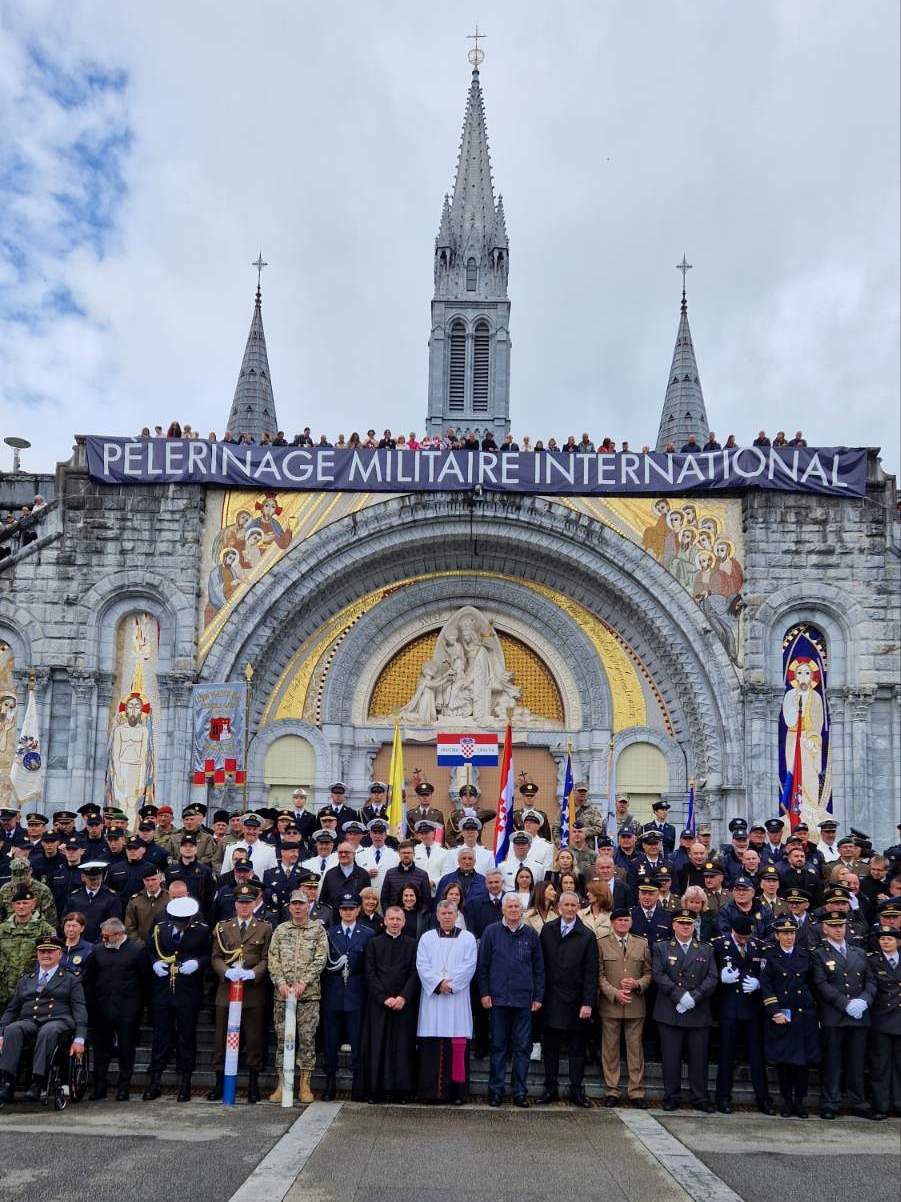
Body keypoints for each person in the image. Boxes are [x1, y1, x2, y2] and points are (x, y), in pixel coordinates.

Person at [0, 934, 88, 1103]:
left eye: (50, 951)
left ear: (60, 954)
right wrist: (1, 1032)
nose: (46, 955)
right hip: (29, 1021)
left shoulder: (71, 978)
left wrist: (79, 1038)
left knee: (48, 1031)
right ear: (37, 954)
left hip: (58, 1021)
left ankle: (37, 1082)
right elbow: (12, 1009)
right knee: (12, 1029)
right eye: (42, 952)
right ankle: (7, 1082)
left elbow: (79, 1009)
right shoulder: (26, 979)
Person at [207, 882, 273, 1104]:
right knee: (221, 1039)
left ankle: (253, 1084)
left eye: (248, 902)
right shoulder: (223, 927)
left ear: (254, 904)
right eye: (241, 902)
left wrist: (253, 973)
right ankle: (219, 1083)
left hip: (253, 991)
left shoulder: (264, 928)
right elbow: (216, 956)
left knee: (253, 1038)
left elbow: (267, 958)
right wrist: (226, 972)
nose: (244, 906)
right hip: (227, 990)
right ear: (235, 904)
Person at [478, 894, 545, 1107]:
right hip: (498, 1000)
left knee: (522, 1048)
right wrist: (484, 993)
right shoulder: (491, 932)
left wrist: (538, 996)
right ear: (503, 910)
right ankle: (496, 1091)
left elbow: (539, 968)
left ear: (522, 910)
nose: (514, 910)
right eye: (510, 906)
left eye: (517, 906)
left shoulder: (531, 934)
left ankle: (519, 1092)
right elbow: (483, 966)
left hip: (523, 1001)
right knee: (498, 1046)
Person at [143, 896, 211, 1103]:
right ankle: (154, 1080)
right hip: (163, 990)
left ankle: (185, 1082)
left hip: (187, 990)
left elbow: (209, 955)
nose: (182, 925)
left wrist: (197, 963)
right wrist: (154, 963)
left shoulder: (201, 931)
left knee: (186, 1036)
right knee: (160, 1036)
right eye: (179, 922)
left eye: (185, 921)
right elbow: (149, 950)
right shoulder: (160, 929)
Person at [652, 908, 718, 1111]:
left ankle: (700, 1097)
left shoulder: (706, 949)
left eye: (689, 923)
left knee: (699, 1059)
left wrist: (694, 997)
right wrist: (680, 996)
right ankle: (672, 1096)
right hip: (670, 1010)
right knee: (671, 1058)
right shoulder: (661, 947)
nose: (685, 927)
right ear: (673, 925)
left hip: (698, 1011)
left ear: (694, 926)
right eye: (681, 923)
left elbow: (712, 977)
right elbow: (658, 974)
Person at [267, 887, 328, 1104]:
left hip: (308, 996)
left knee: (307, 1039)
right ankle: (282, 1084)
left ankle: (304, 1085)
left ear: (308, 906)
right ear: (289, 907)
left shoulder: (317, 930)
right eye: (294, 904)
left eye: (301, 904)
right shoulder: (281, 930)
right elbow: (272, 959)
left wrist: (304, 982)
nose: (298, 908)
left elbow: (320, 959)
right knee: (283, 1038)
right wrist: (281, 983)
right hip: (283, 996)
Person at [811, 913, 876, 1118]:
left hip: (858, 1015)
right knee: (832, 1062)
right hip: (834, 1015)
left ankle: (858, 1102)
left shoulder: (859, 952)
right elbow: (821, 983)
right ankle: (830, 1102)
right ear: (825, 929)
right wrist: (845, 1003)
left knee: (857, 1062)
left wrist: (864, 1000)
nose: (838, 929)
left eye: (841, 925)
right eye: (833, 926)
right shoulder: (819, 954)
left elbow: (871, 981)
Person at [537, 891, 597, 1107]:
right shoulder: (548, 930)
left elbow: (591, 973)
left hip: (576, 1002)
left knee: (577, 1051)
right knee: (550, 1049)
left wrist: (587, 1003)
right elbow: (540, 965)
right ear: (559, 907)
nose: (570, 909)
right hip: (551, 1000)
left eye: (574, 905)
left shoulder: (587, 935)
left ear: (578, 908)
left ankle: (576, 1090)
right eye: (567, 905)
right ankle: (550, 1088)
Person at [416, 899, 478, 1104]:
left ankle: (456, 1094)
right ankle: (429, 1093)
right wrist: (437, 983)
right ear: (437, 915)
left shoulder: (467, 938)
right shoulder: (427, 938)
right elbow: (422, 965)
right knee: (431, 1048)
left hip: (456, 1000)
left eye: (450, 913)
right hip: (433, 1001)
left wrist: (451, 985)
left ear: (457, 914)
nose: (447, 917)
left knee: (456, 1048)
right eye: (443, 913)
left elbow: (469, 965)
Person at [712, 914, 775, 1114]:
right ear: (732, 931)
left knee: (756, 1056)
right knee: (726, 1055)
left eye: (746, 937)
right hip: (729, 1007)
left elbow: (766, 972)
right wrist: (721, 977)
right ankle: (723, 1098)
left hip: (751, 1008)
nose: (743, 940)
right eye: (740, 937)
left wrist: (758, 983)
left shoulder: (758, 946)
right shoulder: (719, 945)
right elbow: (710, 972)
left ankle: (763, 1098)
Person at [759, 915, 820, 1117]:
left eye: (792, 933)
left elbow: (812, 983)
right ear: (777, 935)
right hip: (782, 1014)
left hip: (803, 1014)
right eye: (784, 933)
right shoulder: (769, 956)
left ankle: (800, 1102)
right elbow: (766, 986)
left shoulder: (805, 955)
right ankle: (786, 1101)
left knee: (802, 1062)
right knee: (784, 1062)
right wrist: (774, 1011)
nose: (789, 937)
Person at [84, 918, 146, 1101]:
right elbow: (90, 979)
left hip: (127, 1010)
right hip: (102, 1009)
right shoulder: (98, 951)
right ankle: (99, 1087)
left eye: (107, 937)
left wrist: (139, 1006)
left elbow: (145, 980)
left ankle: (123, 1087)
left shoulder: (136, 950)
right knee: (101, 1051)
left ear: (119, 934)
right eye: (102, 936)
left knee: (126, 1049)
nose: (103, 939)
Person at [362, 905, 419, 1102]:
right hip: (379, 1004)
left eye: (398, 919)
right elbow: (370, 972)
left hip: (404, 1004)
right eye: (391, 919)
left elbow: (415, 972)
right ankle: (376, 1090)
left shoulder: (412, 944)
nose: (395, 922)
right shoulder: (373, 943)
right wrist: (384, 997)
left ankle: (402, 1091)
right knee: (378, 1045)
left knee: (403, 1048)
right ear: (385, 921)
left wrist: (403, 997)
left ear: (404, 922)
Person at [598, 907, 653, 1107]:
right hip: (610, 1004)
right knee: (610, 1049)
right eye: (619, 920)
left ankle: (636, 1092)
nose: (623, 923)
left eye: (626, 920)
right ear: (612, 922)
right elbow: (599, 974)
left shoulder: (642, 943)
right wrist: (614, 993)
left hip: (635, 1004)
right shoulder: (602, 943)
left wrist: (638, 984)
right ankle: (612, 1090)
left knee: (635, 1050)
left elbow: (649, 973)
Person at [321, 892, 373, 1101]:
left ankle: (358, 1085)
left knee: (357, 1040)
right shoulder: (329, 933)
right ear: (339, 911)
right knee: (330, 1040)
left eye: (351, 908)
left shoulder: (367, 933)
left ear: (358, 910)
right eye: (344, 908)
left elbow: (369, 966)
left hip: (356, 992)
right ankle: (330, 1084)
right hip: (333, 991)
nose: (348, 912)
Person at [0, 887, 56, 1009]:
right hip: (4, 991)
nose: (21, 906)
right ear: (12, 906)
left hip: (32, 990)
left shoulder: (45, 930)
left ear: (33, 904)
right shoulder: (2, 930)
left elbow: (52, 962)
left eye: (25, 903)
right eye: (18, 903)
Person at [867, 926, 901, 1119]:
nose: (885, 942)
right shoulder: (873, 961)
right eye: (882, 939)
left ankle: (899, 1103)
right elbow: (871, 985)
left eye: (889, 939)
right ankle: (882, 1105)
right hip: (881, 1018)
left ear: (897, 942)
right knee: (880, 1065)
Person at [320, 843, 371, 910]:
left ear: (354, 854)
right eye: (340, 852)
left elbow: (368, 899)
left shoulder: (363, 874)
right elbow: (323, 900)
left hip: (357, 915)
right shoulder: (330, 874)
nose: (343, 855)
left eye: (346, 852)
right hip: (334, 915)